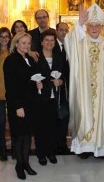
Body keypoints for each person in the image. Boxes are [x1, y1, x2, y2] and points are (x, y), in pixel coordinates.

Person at [64, 4, 104, 158]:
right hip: (85, 91)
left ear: (102, 26)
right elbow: (69, 42)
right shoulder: (81, 42)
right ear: (87, 26)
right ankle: (85, 147)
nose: (94, 28)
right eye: (90, 25)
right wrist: (79, 22)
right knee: (85, 114)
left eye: (97, 25)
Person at [3, 32, 39, 179]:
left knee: (27, 135)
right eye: (23, 43)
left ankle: (26, 163)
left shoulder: (29, 59)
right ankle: (19, 166)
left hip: (30, 104)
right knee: (19, 136)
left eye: (28, 43)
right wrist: (18, 106)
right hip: (17, 105)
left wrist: (37, 83)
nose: (26, 46)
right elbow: (11, 86)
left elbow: (29, 79)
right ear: (16, 44)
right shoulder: (11, 60)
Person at [33, 29, 64, 166]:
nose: (49, 43)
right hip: (39, 97)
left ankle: (51, 152)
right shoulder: (35, 57)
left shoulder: (59, 57)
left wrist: (61, 81)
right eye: (47, 40)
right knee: (40, 126)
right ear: (41, 42)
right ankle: (41, 154)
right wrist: (35, 84)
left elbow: (65, 75)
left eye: (52, 40)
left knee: (53, 125)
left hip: (54, 97)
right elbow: (29, 76)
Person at [0, 27, 11, 161]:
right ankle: (3, 148)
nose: (4, 39)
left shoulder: (14, 53)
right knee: (0, 122)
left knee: (14, 122)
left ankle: (15, 148)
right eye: (1, 36)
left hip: (12, 94)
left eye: (6, 36)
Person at [55, 22, 71, 154]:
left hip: (66, 87)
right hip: (54, 87)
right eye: (61, 30)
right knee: (54, 117)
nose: (64, 33)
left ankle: (62, 144)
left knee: (64, 116)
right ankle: (55, 145)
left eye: (66, 30)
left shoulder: (71, 46)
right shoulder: (52, 46)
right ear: (56, 31)